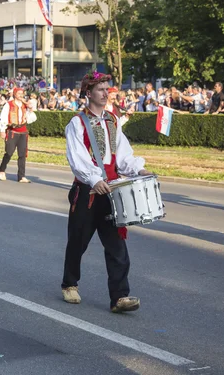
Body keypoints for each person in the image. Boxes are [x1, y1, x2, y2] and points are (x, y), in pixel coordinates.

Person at [61, 71, 152, 313]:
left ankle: (119, 297)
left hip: (112, 190)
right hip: (88, 192)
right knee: (78, 240)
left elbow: (122, 155)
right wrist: (93, 179)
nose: (105, 93)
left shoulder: (112, 120)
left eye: (107, 88)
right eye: (100, 89)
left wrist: (138, 170)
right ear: (88, 93)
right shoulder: (77, 123)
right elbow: (77, 158)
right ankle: (70, 284)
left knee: (117, 244)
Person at [0, 87, 37, 183]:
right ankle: (2, 169)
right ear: (15, 94)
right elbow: (3, 117)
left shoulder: (25, 105)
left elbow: (31, 118)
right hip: (12, 131)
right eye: (19, 93)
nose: (20, 95)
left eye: (22, 93)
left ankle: (21, 176)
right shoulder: (9, 105)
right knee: (9, 153)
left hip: (23, 131)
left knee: (22, 154)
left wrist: (30, 110)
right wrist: (2, 130)